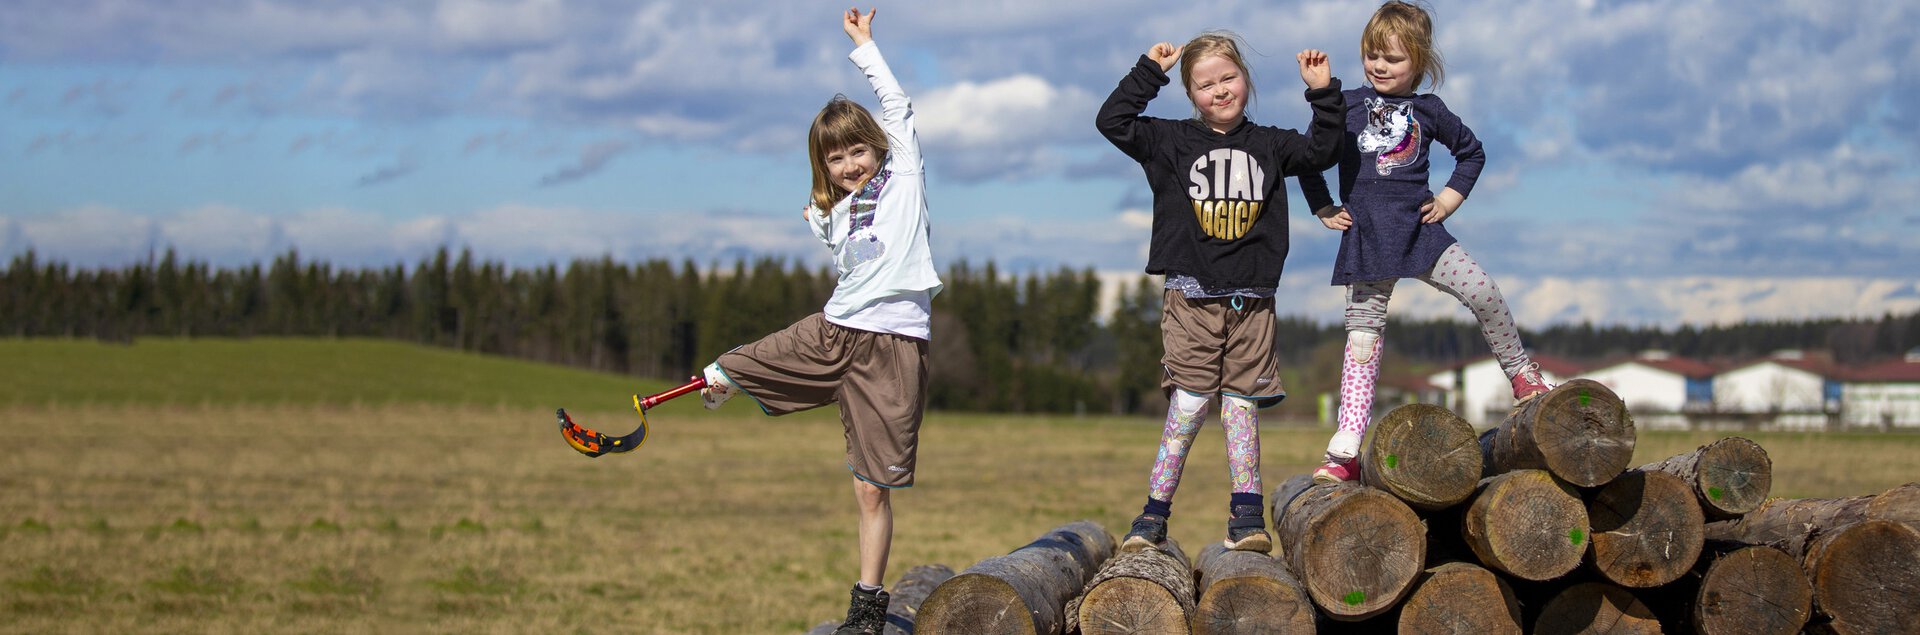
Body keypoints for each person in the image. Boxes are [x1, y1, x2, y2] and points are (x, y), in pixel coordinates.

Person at [700, 8, 940, 633]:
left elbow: (899, 105)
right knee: (744, 356)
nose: (850, 165)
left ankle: (867, 602)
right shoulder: (834, 210)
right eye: (835, 159)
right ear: (823, 165)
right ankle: (723, 377)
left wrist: (864, 47)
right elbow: (844, 256)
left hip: (892, 345)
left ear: (877, 147)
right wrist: (818, 218)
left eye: (857, 150)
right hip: (835, 329)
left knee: (870, 488)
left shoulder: (903, 175)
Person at [1096, 31, 1344, 553]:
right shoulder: (1169, 142)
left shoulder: (1273, 144)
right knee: (1188, 407)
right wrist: (1148, 71)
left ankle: (1247, 521)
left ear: (1246, 81)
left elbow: (1323, 150)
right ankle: (1152, 517)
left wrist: (1322, 92)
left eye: (1228, 78)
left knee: (1241, 408)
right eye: (1205, 84)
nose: (1220, 91)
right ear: (1190, 94)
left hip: (1253, 302)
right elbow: (1112, 121)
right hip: (1191, 299)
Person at [1299, 0, 1549, 484]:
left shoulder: (1430, 111)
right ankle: (1346, 450)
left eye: (1392, 58)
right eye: (1372, 55)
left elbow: (1471, 152)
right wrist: (1323, 206)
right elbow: (1311, 155)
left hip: (1421, 233)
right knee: (1362, 340)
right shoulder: (1345, 104)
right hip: (1367, 238)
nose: (1379, 65)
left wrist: (1451, 200)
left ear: (1419, 61)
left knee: (1482, 290)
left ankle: (1522, 375)